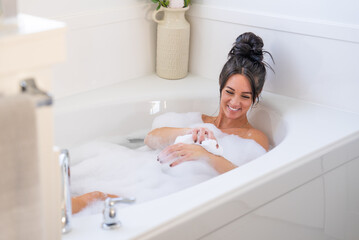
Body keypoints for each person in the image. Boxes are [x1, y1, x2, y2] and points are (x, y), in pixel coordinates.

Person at [145, 32, 274, 174]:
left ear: (257, 94)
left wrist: (205, 155)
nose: (235, 102)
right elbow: (150, 139)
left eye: (245, 96)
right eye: (229, 92)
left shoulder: (253, 138)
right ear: (221, 84)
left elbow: (248, 177)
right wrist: (189, 132)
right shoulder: (199, 122)